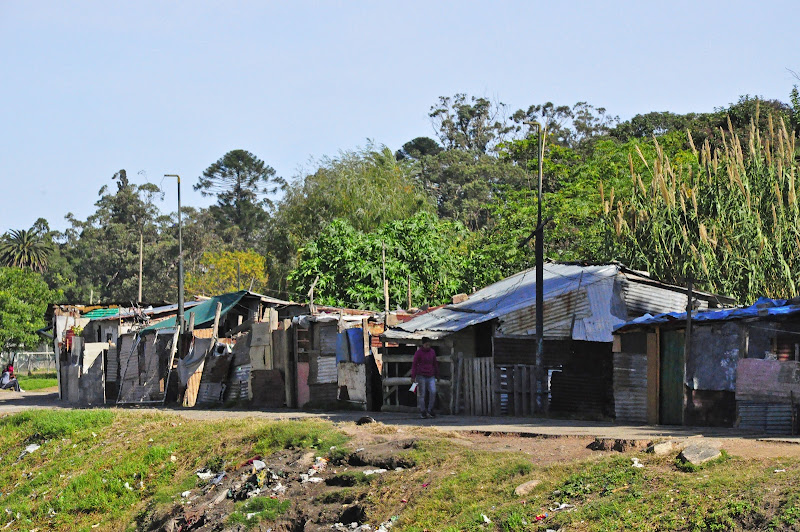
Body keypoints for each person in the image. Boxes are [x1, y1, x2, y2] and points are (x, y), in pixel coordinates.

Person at [411, 337, 438, 419]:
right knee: (422, 394)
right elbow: (414, 364)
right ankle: (423, 411)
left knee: (433, 391)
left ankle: (430, 409)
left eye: (429, 344)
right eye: (426, 344)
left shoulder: (432, 352)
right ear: (423, 344)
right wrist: (413, 376)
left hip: (431, 375)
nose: (428, 346)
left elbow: (435, 363)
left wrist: (437, 373)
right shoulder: (418, 353)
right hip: (421, 375)